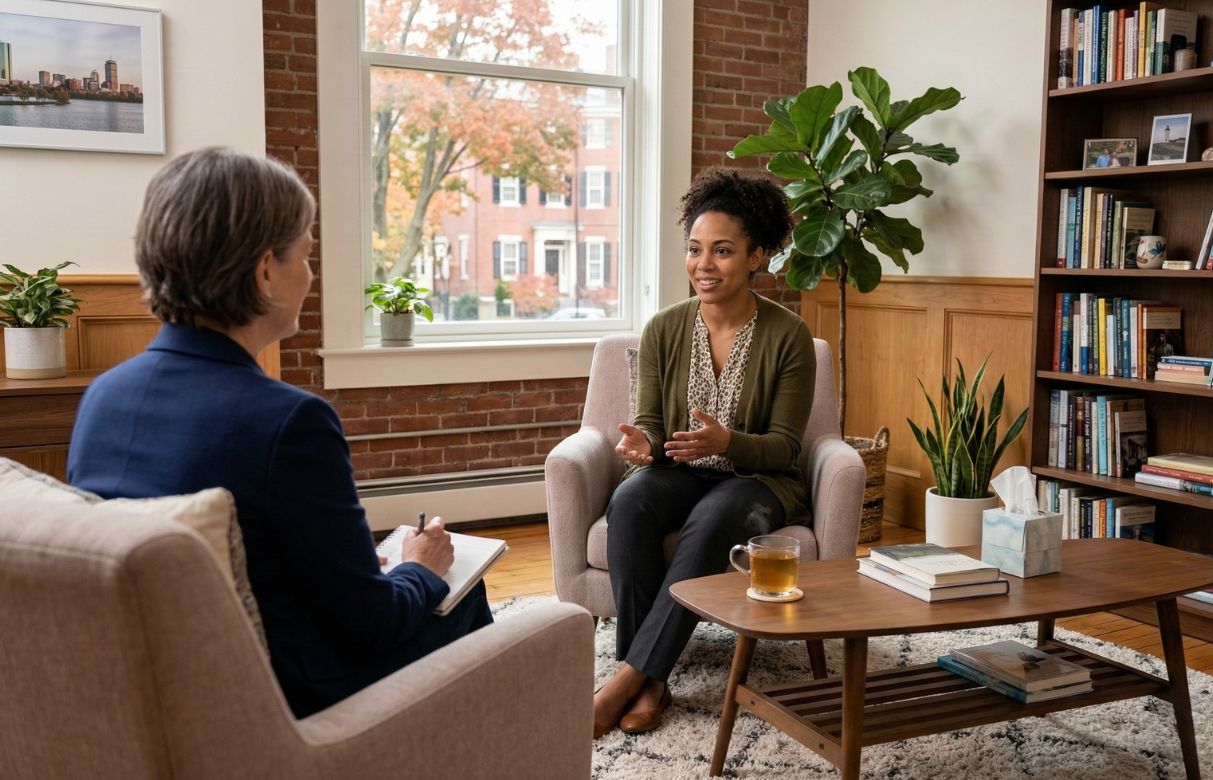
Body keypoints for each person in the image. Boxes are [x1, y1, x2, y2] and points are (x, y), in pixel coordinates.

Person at [67, 147, 493, 718]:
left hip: (162, 692)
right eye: (307, 256)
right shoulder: (288, 421)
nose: (311, 277)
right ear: (266, 271)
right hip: (292, 704)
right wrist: (420, 566)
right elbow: (374, 625)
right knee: (458, 587)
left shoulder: (103, 397)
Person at [592, 167, 815, 738]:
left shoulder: (789, 335)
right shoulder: (663, 329)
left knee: (716, 516)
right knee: (631, 501)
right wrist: (643, 445)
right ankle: (651, 682)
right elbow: (650, 424)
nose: (703, 264)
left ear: (756, 256)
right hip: (682, 471)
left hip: (758, 482)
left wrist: (727, 443)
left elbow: (787, 447)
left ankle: (628, 679)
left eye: (722, 250)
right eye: (695, 249)